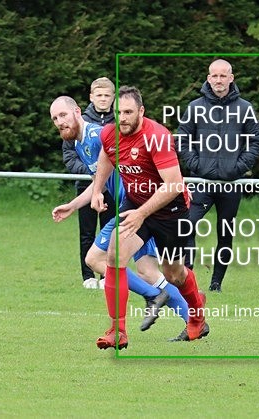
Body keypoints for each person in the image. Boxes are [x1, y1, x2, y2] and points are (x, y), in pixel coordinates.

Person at [49, 96, 190, 333]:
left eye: (63, 115)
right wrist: (73, 205)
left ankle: (155, 297)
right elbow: (100, 181)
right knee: (148, 271)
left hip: (134, 208)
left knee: (95, 259)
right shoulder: (79, 144)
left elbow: (138, 151)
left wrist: (176, 185)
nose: (59, 122)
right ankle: (194, 320)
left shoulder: (97, 136)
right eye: (54, 118)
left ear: (77, 112)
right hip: (134, 209)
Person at [92, 86, 209, 349]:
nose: (122, 118)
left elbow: (173, 184)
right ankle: (117, 331)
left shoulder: (157, 137)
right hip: (136, 205)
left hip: (171, 211)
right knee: (114, 256)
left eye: (129, 112)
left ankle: (197, 315)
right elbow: (106, 157)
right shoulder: (110, 133)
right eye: (118, 112)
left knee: (173, 274)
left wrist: (143, 214)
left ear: (141, 112)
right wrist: (97, 191)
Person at [176, 59, 259, 292]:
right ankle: (189, 279)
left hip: (231, 184)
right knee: (187, 227)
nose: (218, 80)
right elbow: (182, 139)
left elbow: (256, 141)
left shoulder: (245, 108)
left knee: (225, 235)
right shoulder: (195, 107)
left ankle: (216, 284)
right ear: (208, 78)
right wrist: (196, 165)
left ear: (231, 78)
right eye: (214, 76)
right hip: (201, 183)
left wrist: (237, 168)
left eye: (223, 76)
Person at [61, 77, 116, 289]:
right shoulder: (77, 121)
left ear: (113, 98)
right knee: (87, 232)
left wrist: (104, 174)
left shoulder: (119, 121)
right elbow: (69, 157)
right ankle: (88, 276)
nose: (103, 99)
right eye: (99, 95)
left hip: (113, 186)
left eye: (107, 95)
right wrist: (93, 171)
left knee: (111, 231)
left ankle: (106, 275)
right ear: (91, 97)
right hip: (86, 185)